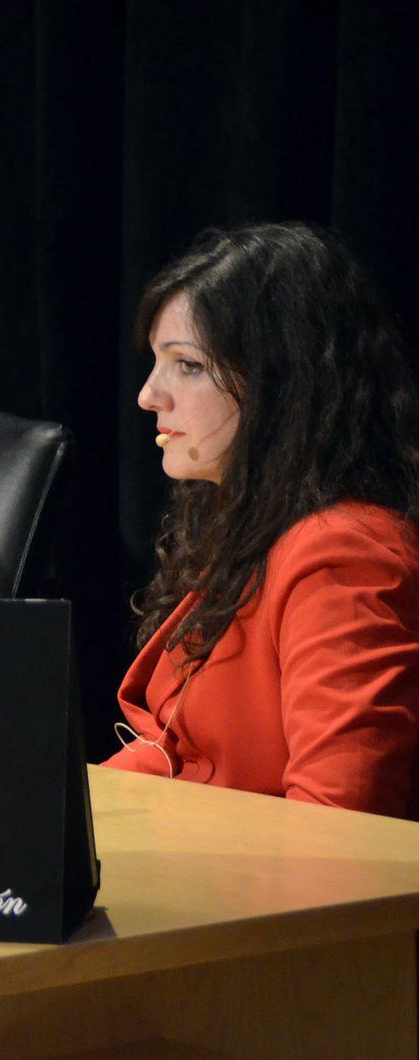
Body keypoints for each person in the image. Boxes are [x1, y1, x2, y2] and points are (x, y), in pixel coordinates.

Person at [105, 222, 419, 819]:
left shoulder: (344, 552)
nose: (149, 395)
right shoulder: (252, 523)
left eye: (187, 366)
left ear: (282, 384)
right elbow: (176, 753)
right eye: (156, 363)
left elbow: (338, 826)